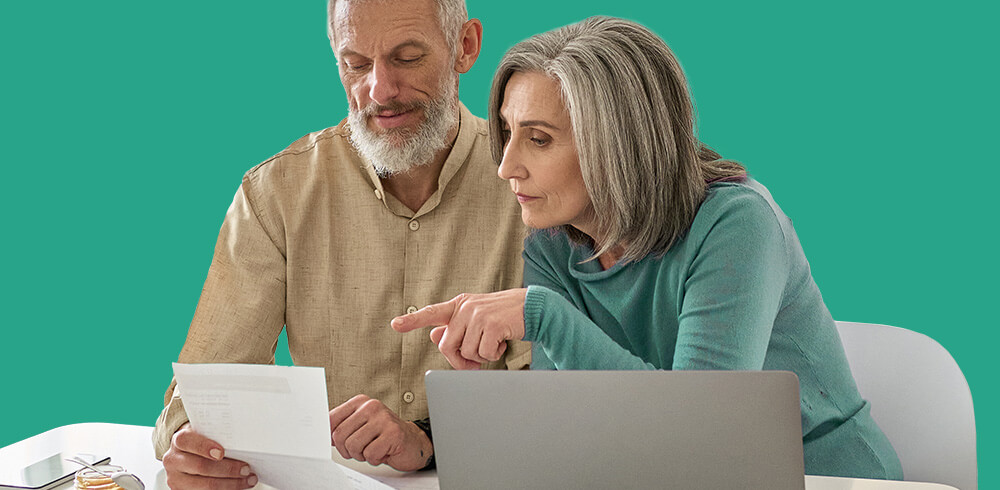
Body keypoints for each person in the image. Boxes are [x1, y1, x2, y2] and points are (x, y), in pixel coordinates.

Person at [392, 16, 904, 480]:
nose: (506, 166)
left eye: (539, 139)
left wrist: (545, 317)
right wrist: (489, 398)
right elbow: (579, 434)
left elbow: (699, 437)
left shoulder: (737, 224)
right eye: (507, 132)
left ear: (615, 142)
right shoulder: (550, 246)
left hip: (827, 479)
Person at [153, 0, 531, 488]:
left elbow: (554, 402)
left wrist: (427, 440)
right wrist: (192, 445)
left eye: (407, 57)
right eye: (355, 64)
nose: (380, 90)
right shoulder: (275, 194)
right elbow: (200, 395)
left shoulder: (529, 186)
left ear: (465, 46)